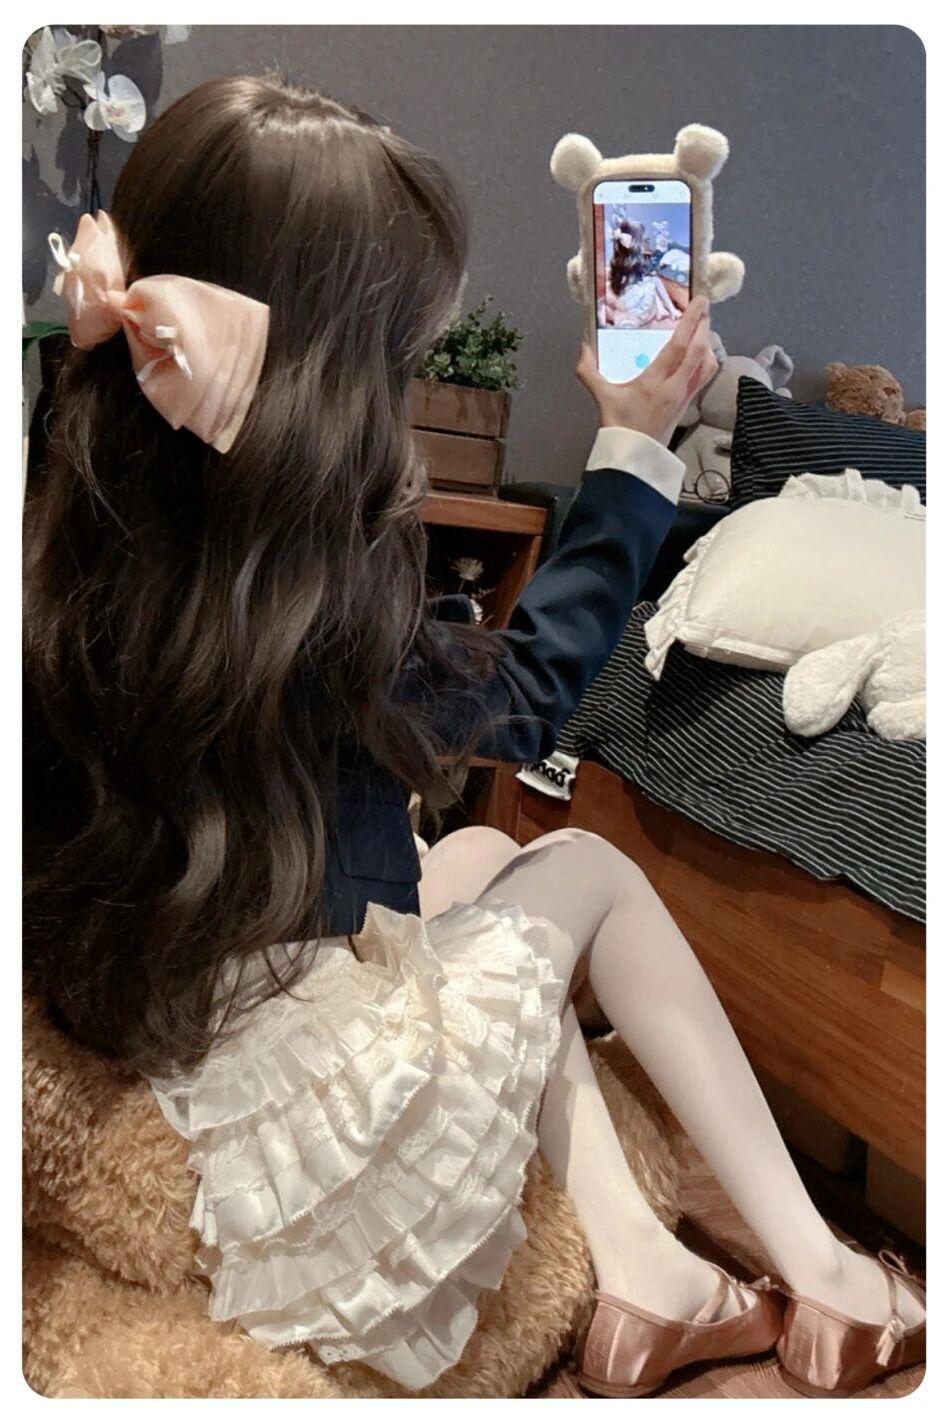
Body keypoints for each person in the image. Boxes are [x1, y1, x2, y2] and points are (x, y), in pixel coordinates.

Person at [23, 76, 924, 1398]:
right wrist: (631, 449)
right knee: (586, 870)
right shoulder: (315, 587)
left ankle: (650, 1279)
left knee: (474, 865)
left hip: (179, 1026)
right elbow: (526, 694)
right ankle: (832, 1279)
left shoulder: (83, 538)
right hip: (278, 1133)